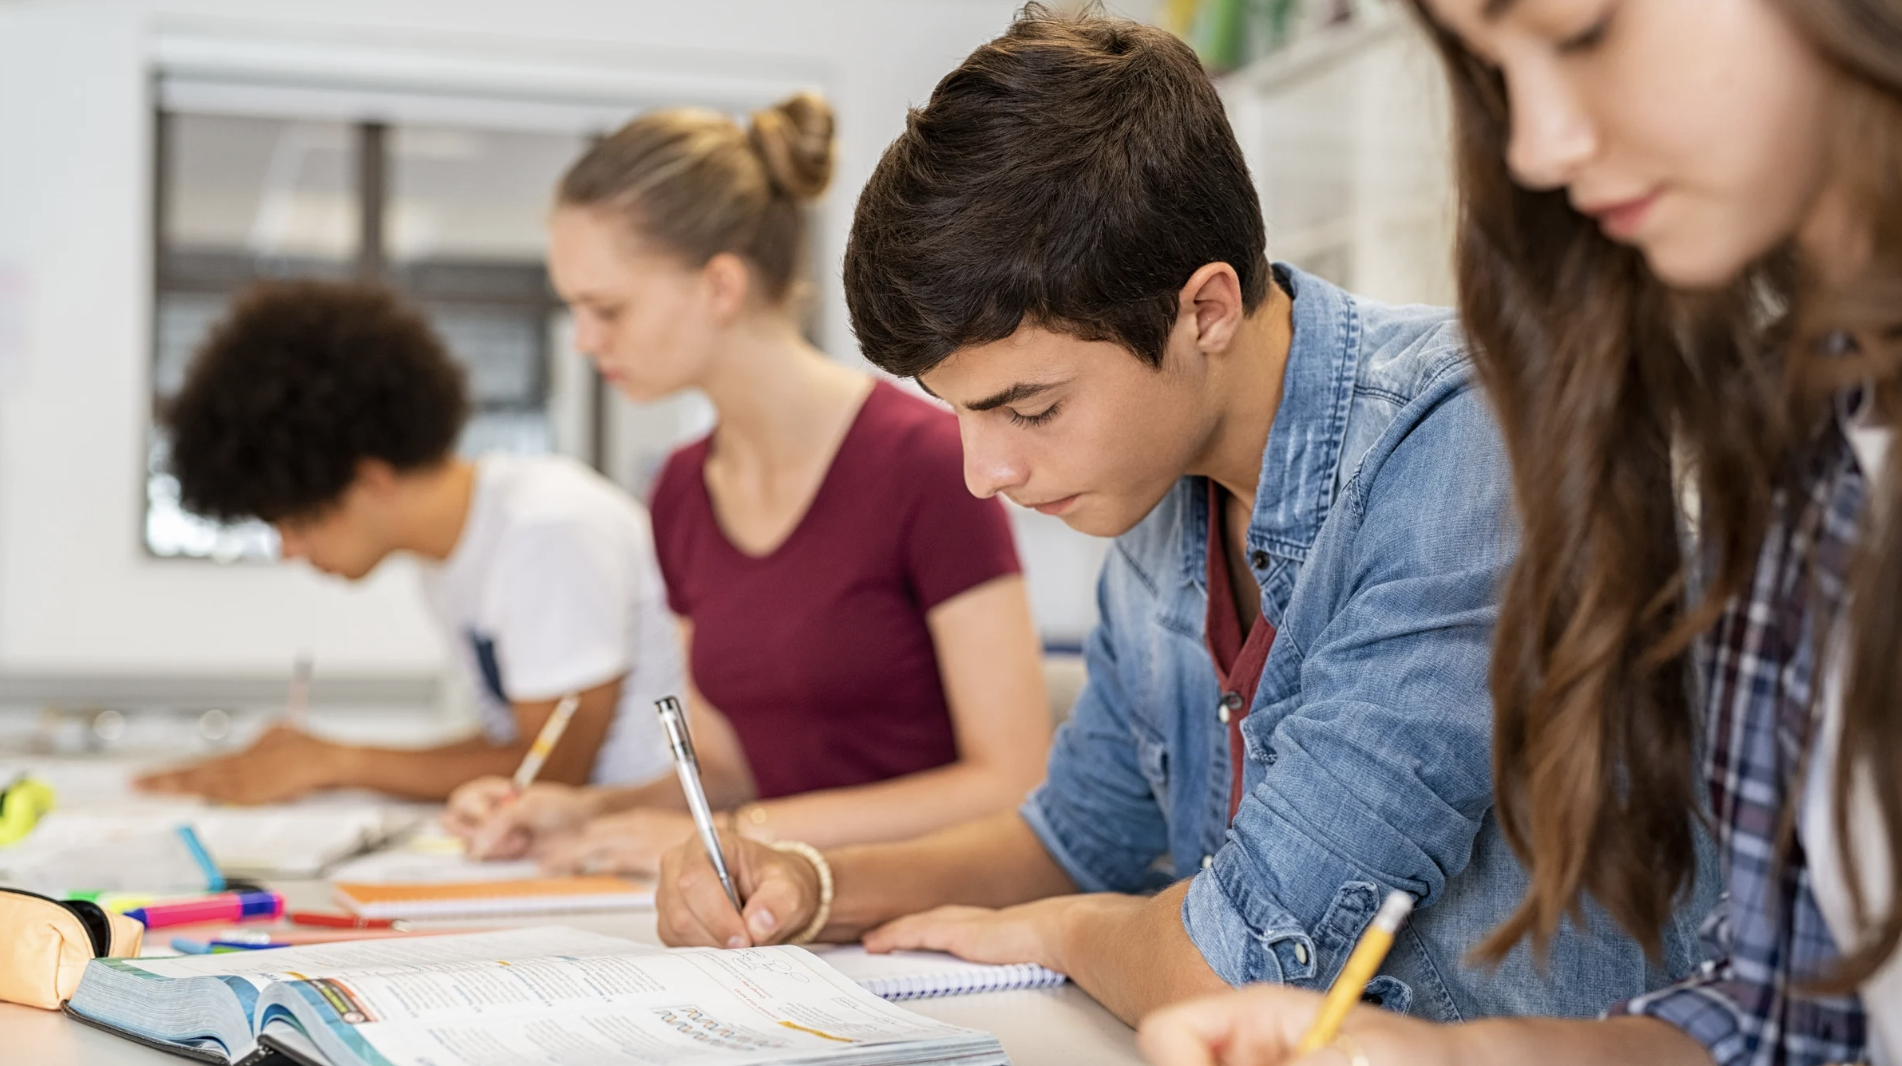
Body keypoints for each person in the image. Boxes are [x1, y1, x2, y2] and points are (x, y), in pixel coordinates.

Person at [653, 9, 1710, 1029]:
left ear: (1203, 309)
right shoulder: (1163, 491)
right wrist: (812, 882)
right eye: (961, 413)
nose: (985, 471)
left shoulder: (1462, 445)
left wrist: (1070, 933)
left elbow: (1240, 964)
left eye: (1028, 407)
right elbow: (1078, 839)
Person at [1137, 0, 1902, 1064]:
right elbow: (1789, 1019)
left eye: (1585, 33)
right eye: (1496, 74)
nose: (1538, 147)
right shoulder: (1806, 455)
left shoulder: (1443, 440)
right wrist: (1451, 1058)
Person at [442, 91, 1052, 874]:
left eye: (607, 309)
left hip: (933, 913)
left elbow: (1011, 781)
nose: (587, 341)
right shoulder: (681, 493)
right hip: (780, 918)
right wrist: (583, 812)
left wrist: (741, 834)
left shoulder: (929, 462)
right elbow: (728, 771)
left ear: (720, 287)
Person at [137, 281, 680, 804]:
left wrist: (337, 762)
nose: (289, 551)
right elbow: (516, 744)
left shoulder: (547, 529)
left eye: (297, 523)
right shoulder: (450, 558)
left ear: (369, 479)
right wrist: (321, 760)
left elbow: (553, 769)